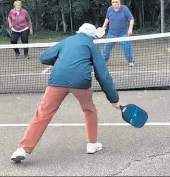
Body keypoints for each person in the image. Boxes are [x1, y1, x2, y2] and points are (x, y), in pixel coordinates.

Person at [10, 23, 122, 163]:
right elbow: (102, 74)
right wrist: (114, 99)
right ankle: (92, 144)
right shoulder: (91, 45)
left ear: (78, 31)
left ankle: (23, 149)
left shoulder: (67, 41)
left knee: (43, 113)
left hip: (58, 79)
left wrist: (62, 60)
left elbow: (44, 57)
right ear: (92, 36)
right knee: (89, 110)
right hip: (81, 82)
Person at [101, 0, 135, 67]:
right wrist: (103, 27)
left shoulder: (125, 9)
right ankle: (103, 62)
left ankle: (130, 61)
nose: (114, 3)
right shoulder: (109, 9)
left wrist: (130, 28)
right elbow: (107, 19)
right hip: (111, 34)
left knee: (127, 48)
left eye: (116, 2)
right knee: (106, 49)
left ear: (119, 2)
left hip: (123, 34)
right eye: (113, 2)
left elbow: (131, 19)